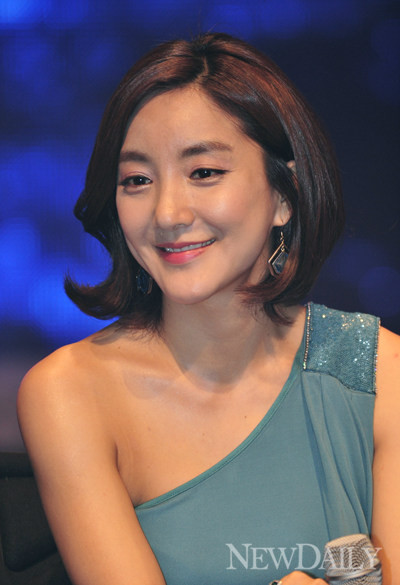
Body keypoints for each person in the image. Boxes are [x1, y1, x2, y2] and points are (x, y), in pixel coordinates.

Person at [17, 33, 399, 585]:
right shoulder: (70, 392)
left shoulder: (378, 371)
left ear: (284, 195)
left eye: (204, 173)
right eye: (137, 180)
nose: (167, 213)